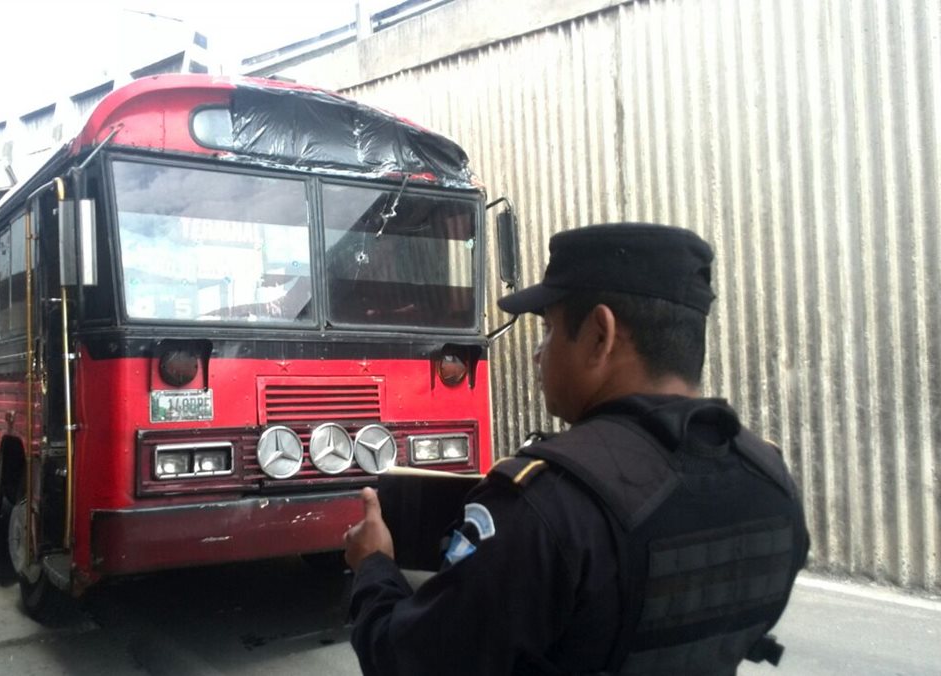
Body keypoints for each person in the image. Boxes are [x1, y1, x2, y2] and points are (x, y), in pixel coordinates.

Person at [344, 223, 809, 675]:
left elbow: (405, 659)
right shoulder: (770, 480)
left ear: (601, 336)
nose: (539, 353)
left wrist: (374, 567)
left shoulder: (547, 506)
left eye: (548, 329)